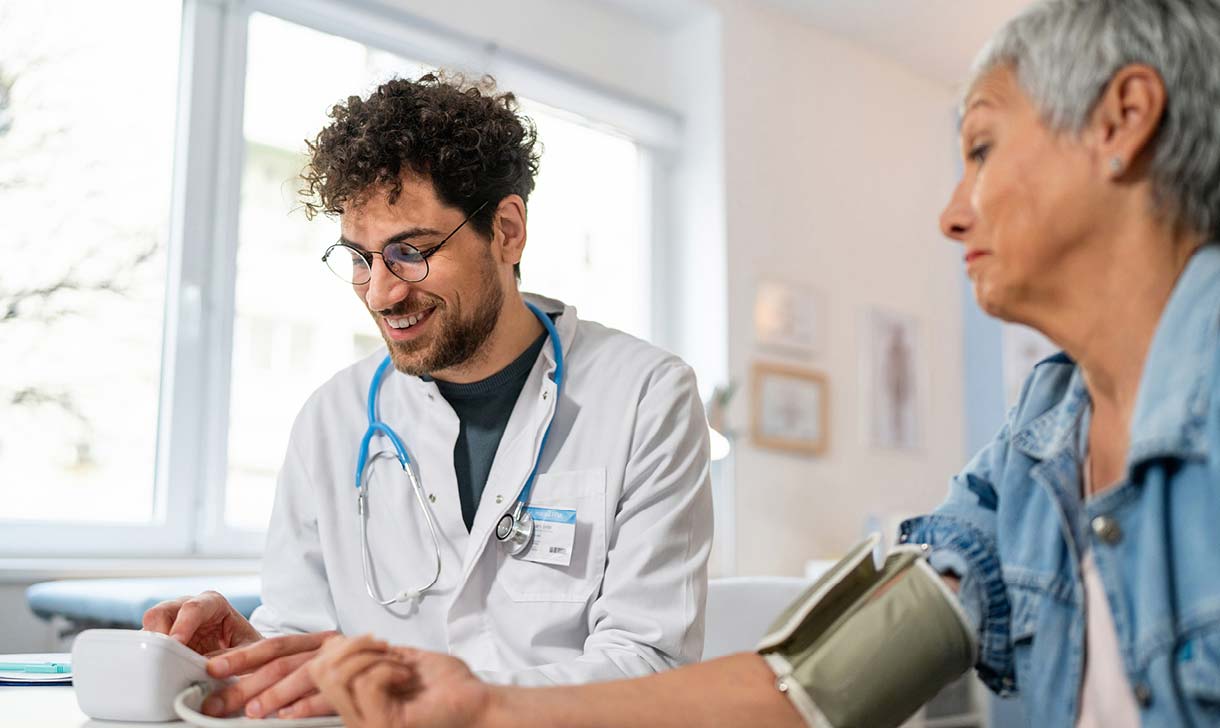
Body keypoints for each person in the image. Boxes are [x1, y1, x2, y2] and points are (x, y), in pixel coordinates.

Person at [302, 0, 1220, 725]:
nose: (951, 214)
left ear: (1123, 119)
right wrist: (486, 707)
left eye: (980, 147)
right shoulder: (1036, 449)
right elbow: (819, 687)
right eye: (360, 259)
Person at [142, 73, 714, 720]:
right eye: (360, 259)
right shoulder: (332, 419)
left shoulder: (645, 396)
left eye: (409, 252)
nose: (381, 293)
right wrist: (258, 657)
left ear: (506, 230)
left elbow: (651, 664)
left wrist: (471, 705)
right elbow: (305, 636)